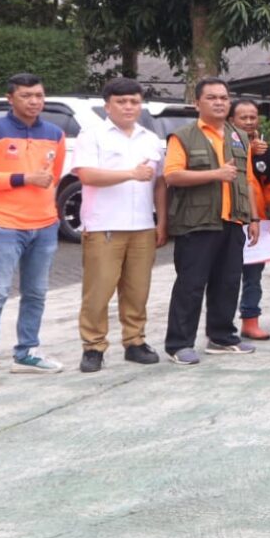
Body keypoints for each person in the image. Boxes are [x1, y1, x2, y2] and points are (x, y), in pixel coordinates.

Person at [0, 73, 68, 388]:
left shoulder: (55, 133)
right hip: (5, 225)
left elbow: (54, 175)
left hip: (45, 226)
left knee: (36, 293)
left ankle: (26, 353)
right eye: (26, 96)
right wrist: (24, 178)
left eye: (39, 95)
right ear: (10, 98)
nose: (35, 101)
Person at [72, 77, 167, 373]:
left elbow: (160, 184)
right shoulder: (93, 135)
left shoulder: (150, 139)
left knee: (137, 290)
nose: (128, 107)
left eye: (134, 102)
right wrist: (129, 174)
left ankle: (135, 341)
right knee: (98, 291)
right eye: (121, 102)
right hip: (104, 226)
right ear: (107, 105)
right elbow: (86, 175)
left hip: (142, 226)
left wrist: (161, 221)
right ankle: (93, 346)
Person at [163, 78, 259, 365]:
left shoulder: (239, 137)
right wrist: (214, 174)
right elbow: (172, 176)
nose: (219, 102)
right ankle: (179, 344)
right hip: (197, 222)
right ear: (197, 103)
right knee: (190, 284)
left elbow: (248, 179)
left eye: (223, 98)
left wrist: (253, 217)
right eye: (212, 98)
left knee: (228, 282)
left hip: (232, 221)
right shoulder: (183, 136)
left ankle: (221, 337)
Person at [231, 98, 270, 341]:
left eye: (253, 117)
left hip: (258, 222)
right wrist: (250, 151)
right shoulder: (223, 145)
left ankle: (250, 321)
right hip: (231, 220)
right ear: (232, 120)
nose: (249, 122)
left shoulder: (265, 151)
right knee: (226, 276)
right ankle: (220, 325)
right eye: (243, 117)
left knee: (253, 276)